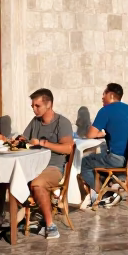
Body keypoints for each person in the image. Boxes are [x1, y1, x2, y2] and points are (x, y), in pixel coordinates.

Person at [19, 88, 75, 239]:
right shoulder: (35, 122)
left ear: (49, 104)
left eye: (37, 106)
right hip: (33, 165)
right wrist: (19, 140)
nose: (34, 109)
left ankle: (50, 226)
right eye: (33, 106)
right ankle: (2, 223)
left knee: (37, 184)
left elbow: (68, 148)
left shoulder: (61, 123)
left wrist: (43, 143)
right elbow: (25, 138)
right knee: (7, 177)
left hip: (53, 167)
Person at [79, 83, 128, 209]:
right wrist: (103, 133)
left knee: (84, 163)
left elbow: (90, 135)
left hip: (116, 159)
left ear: (111, 95)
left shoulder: (106, 110)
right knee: (99, 159)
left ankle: (106, 194)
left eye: (104, 94)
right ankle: (113, 186)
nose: (102, 97)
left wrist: (92, 129)